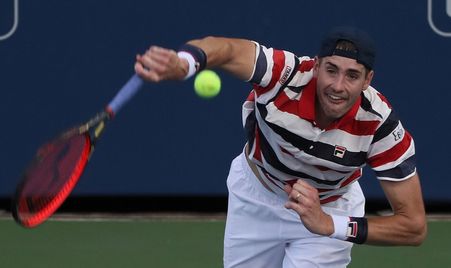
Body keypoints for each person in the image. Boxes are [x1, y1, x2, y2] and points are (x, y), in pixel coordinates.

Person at [134, 27, 427, 267]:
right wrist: (185, 64)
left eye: (352, 75)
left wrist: (329, 224)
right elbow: (227, 49)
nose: (338, 86)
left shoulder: (380, 124)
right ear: (316, 64)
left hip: (329, 206)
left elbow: (413, 226)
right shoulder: (284, 75)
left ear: (368, 80)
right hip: (256, 197)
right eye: (331, 70)